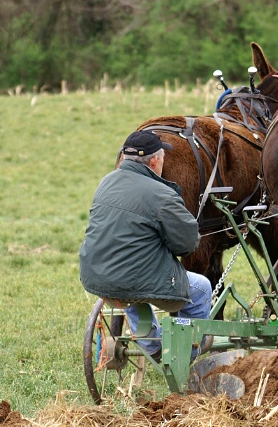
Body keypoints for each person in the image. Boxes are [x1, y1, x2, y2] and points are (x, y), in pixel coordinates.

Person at [79, 129, 212, 362]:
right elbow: (187, 245)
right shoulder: (162, 194)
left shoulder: (106, 182)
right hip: (134, 281)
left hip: (96, 278)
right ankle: (185, 353)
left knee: (127, 281)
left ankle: (151, 344)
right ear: (154, 161)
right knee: (201, 288)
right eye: (163, 158)